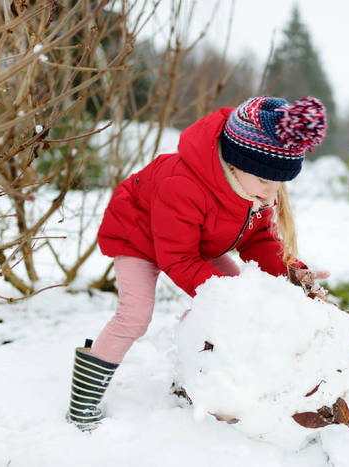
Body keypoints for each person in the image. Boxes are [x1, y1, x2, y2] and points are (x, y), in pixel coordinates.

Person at [66, 96, 330, 431]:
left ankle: (198, 374)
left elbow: (260, 241)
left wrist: (293, 273)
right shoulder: (183, 185)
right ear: (235, 163)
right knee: (135, 316)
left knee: (246, 295)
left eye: (278, 181)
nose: (272, 191)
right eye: (265, 180)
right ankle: (83, 404)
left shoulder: (255, 190)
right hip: (139, 238)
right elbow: (178, 258)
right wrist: (224, 296)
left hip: (196, 241)